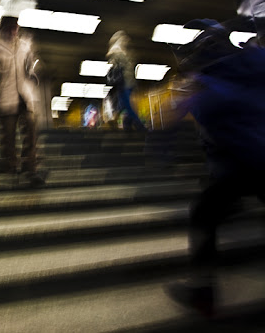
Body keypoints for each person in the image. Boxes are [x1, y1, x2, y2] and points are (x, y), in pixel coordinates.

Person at [162, 18, 265, 317]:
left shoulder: (205, 85)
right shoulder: (257, 61)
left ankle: (203, 293)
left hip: (243, 164)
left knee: (204, 214)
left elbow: (174, 123)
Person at [0, 15, 46, 186]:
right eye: (10, 27)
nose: (14, 30)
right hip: (5, 94)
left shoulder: (25, 44)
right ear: (2, 28)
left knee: (31, 127)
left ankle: (30, 166)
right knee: (8, 133)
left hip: (24, 94)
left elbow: (32, 63)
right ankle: (11, 164)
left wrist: (33, 71)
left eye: (16, 27)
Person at [105, 31, 147, 131]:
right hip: (125, 84)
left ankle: (126, 124)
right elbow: (122, 69)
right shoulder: (118, 53)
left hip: (127, 84)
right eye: (123, 39)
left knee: (123, 105)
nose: (126, 41)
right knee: (127, 105)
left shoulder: (123, 53)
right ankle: (138, 125)